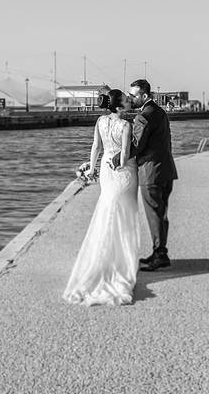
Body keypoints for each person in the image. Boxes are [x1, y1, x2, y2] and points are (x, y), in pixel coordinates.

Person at [63, 89, 142, 306]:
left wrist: (91, 168)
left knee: (108, 209)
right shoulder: (126, 125)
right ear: (118, 106)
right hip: (123, 173)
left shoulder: (100, 121)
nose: (129, 102)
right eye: (126, 100)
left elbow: (96, 147)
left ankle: (104, 259)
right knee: (124, 214)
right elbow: (125, 156)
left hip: (107, 172)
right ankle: (122, 262)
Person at [118, 78, 177, 271]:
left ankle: (159, 255)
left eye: (133, 95)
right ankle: (161, 252)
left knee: (154, 214)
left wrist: (117, 156)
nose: (130, 98)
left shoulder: (143, 117)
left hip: (150, 172)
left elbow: (137, 145)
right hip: (166, 169)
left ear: (144, 95)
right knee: (161, 213)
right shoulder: (160, 112)